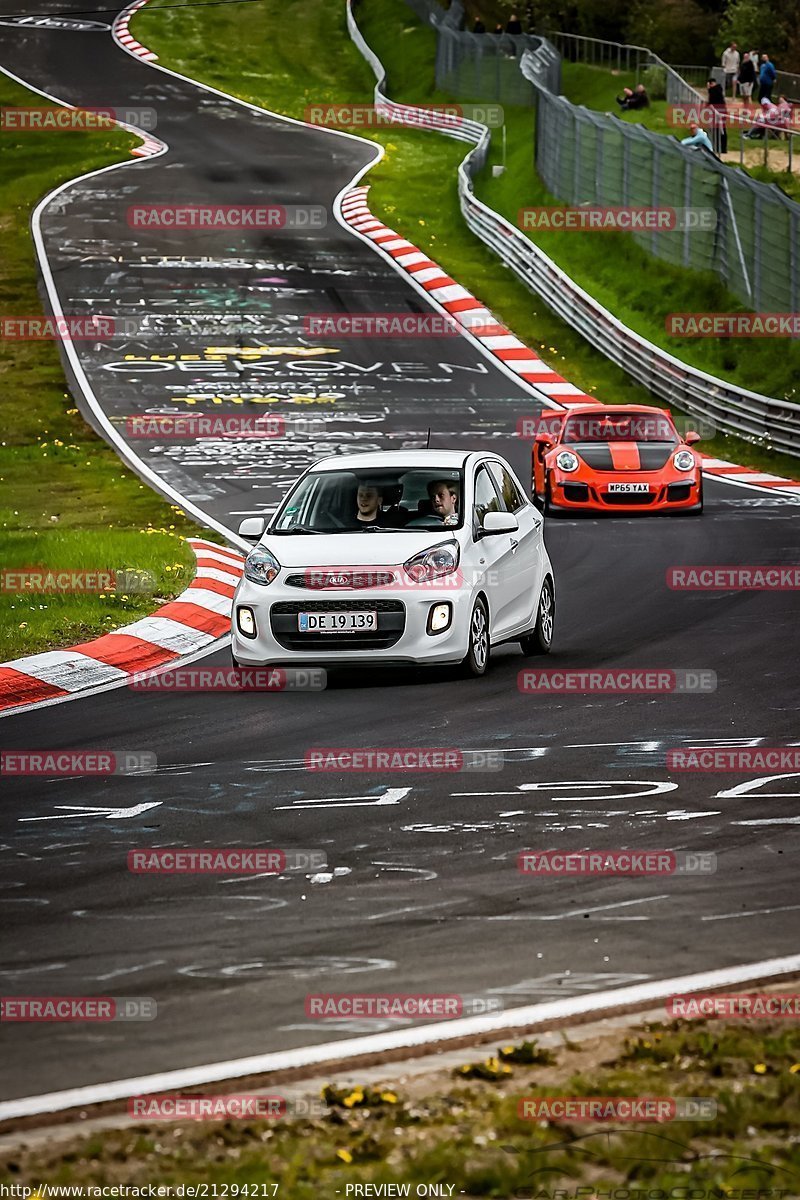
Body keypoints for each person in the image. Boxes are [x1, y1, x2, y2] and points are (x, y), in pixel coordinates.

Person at [706, 78, 728, 153]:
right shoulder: (718, 89)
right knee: (720, 130)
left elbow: (711, 101)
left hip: (718, 112)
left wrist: (709, 90)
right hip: (721, 111)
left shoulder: (713, 91)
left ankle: (719, 148)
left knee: (719, 131)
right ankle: (721, 148)